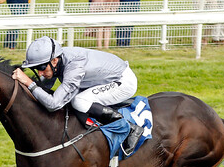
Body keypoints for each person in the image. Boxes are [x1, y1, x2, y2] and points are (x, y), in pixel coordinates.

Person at [11, 37, 144, 154]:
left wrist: (28, 82)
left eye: (42, 67)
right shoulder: (58, 61)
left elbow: (54, 104)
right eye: (36, 69)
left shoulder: (74, 67)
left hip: (123, 81)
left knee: (79, 101)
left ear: (55, 61)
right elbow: (44, 88)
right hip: (104, 77)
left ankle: (130, 128)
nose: (40, 73)